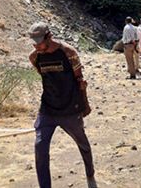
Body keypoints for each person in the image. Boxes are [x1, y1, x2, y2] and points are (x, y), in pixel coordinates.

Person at [28, 22, 98, 188]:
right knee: (40, 148)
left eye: (40, 42)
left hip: (70, 109)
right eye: (34, 43)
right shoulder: (35, 56)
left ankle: (90, 175)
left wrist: (84, 104)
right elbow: (44, 77)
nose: (37, 46)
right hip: (47, 109)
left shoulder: (68, 52)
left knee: (83, 145)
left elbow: (80, 81)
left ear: (49, 37)